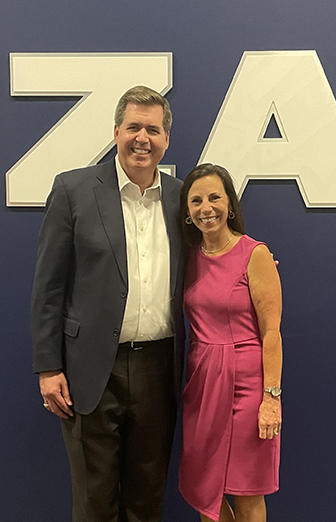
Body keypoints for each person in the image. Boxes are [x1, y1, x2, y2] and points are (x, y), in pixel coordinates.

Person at [30, 85, 186, 522]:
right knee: (94, 501)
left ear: (166, 139)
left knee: (147, 498)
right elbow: (48, 287)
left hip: (160, 368)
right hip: (89, 369)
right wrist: (48, 366)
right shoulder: (73, 189)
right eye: (133, 126)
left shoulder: (180, 198)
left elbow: (213, 255)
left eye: (152, 129)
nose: (142, 138)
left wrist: (252, 259)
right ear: (116, 131)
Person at [178, 164, 283, 522]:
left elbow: (271, 332)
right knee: (203, 488)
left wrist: (271, 398)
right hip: (203, 383)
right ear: (187, 213)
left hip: (247, 385)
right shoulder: (187, 257)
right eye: (196, 201)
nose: (206, 207)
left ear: (230, 203)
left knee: (246, 489)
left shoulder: (254, 254)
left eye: (214, 197)